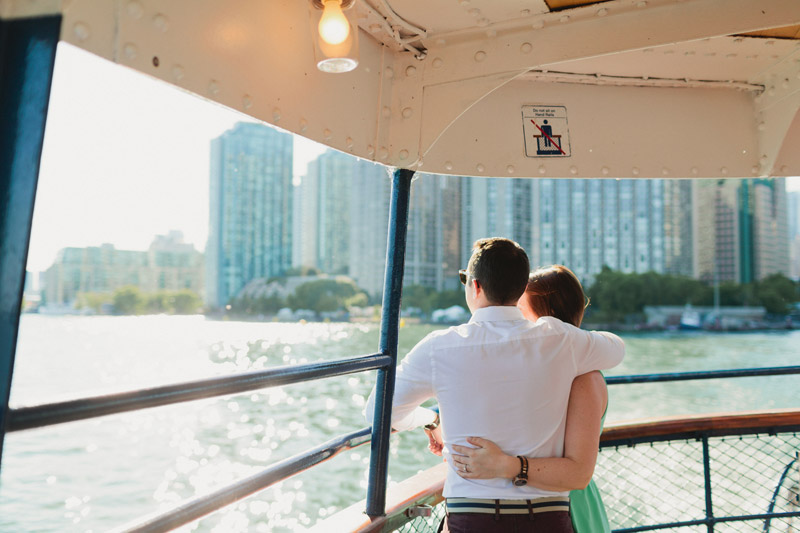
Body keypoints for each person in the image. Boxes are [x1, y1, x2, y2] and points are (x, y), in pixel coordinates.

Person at [365, 239, 624, 532]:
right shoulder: (560, 339)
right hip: (547, 519)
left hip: (473, 519)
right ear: (521, 287)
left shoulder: (440, 347)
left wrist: (430, 419)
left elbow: (377, 411)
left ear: (475, 286)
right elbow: (616, 349)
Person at [449, 265, 612, 533]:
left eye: (520, 310)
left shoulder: (584, 378)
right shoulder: (536, 368)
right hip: (527, 507)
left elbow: (579, 474)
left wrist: (504, 465)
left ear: (545, 320)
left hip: (568, 509)